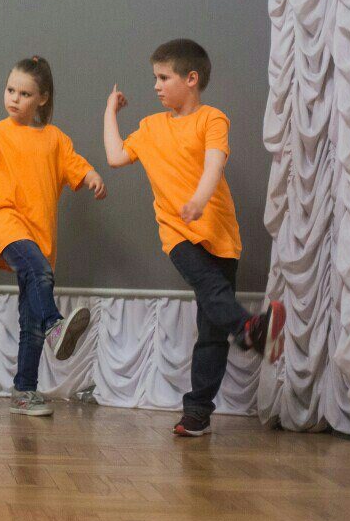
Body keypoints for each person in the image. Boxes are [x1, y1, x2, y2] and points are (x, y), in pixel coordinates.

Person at [104, 38, 285, 437]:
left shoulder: (212, 119)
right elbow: (116, 157)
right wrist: (109, 113)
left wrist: (200, 200)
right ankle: (250, 328)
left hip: (219, 234)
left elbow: (214, 165)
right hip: (177, 233)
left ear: (191, 79)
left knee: (212, 330)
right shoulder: (150, 127)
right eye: (155, 78)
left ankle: (198, 412)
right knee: (209, 287)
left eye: (163, 78)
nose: (156, 86)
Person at [0, 56, 105, 417]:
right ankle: (56, 324)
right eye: (10, 90)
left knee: (30, 318)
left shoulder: (55, 139)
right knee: (39, 278)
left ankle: (24, 391)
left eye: (24, 93)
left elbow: (77, 166)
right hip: (5, 224)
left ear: (42, 98)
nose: (14, 98)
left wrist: (92, 177)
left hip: (41, 238)